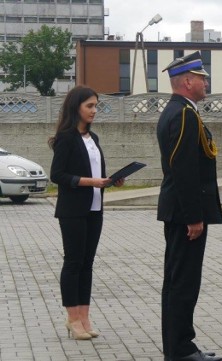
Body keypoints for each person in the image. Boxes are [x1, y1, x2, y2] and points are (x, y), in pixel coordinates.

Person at [157, 51, 222, 361]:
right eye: (201, 77)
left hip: (180, 211)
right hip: (186, 215)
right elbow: (184, 169)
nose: (206, 81)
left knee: (178, 281)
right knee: (183, 283)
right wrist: (194, 217)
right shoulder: (184, 114)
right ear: (186, 82)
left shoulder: (180, 111)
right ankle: (181, 350)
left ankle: (180, 346)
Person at [49, 85, 124, 340]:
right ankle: (72, 319)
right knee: (73, 263)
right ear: (76, 108)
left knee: (87, 264)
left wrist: (111, 180)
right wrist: (91, 182)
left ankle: (84, 316)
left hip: (94, 208)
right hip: (72, 210)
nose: (94, 110)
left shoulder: (94, 139)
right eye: (89, 106)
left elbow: (95, 173)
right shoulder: (66, 138)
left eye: (96, 106)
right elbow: (57, 175)